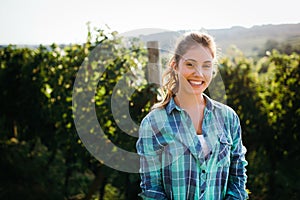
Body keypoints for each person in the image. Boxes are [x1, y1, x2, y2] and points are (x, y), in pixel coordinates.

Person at [136, 31, 248, 199]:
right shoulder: (153, 123)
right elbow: (152, 189)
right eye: (190, 64)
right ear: (175, 65)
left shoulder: (228, 118)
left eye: (206, 65)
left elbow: (237, 177)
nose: (199, 73)